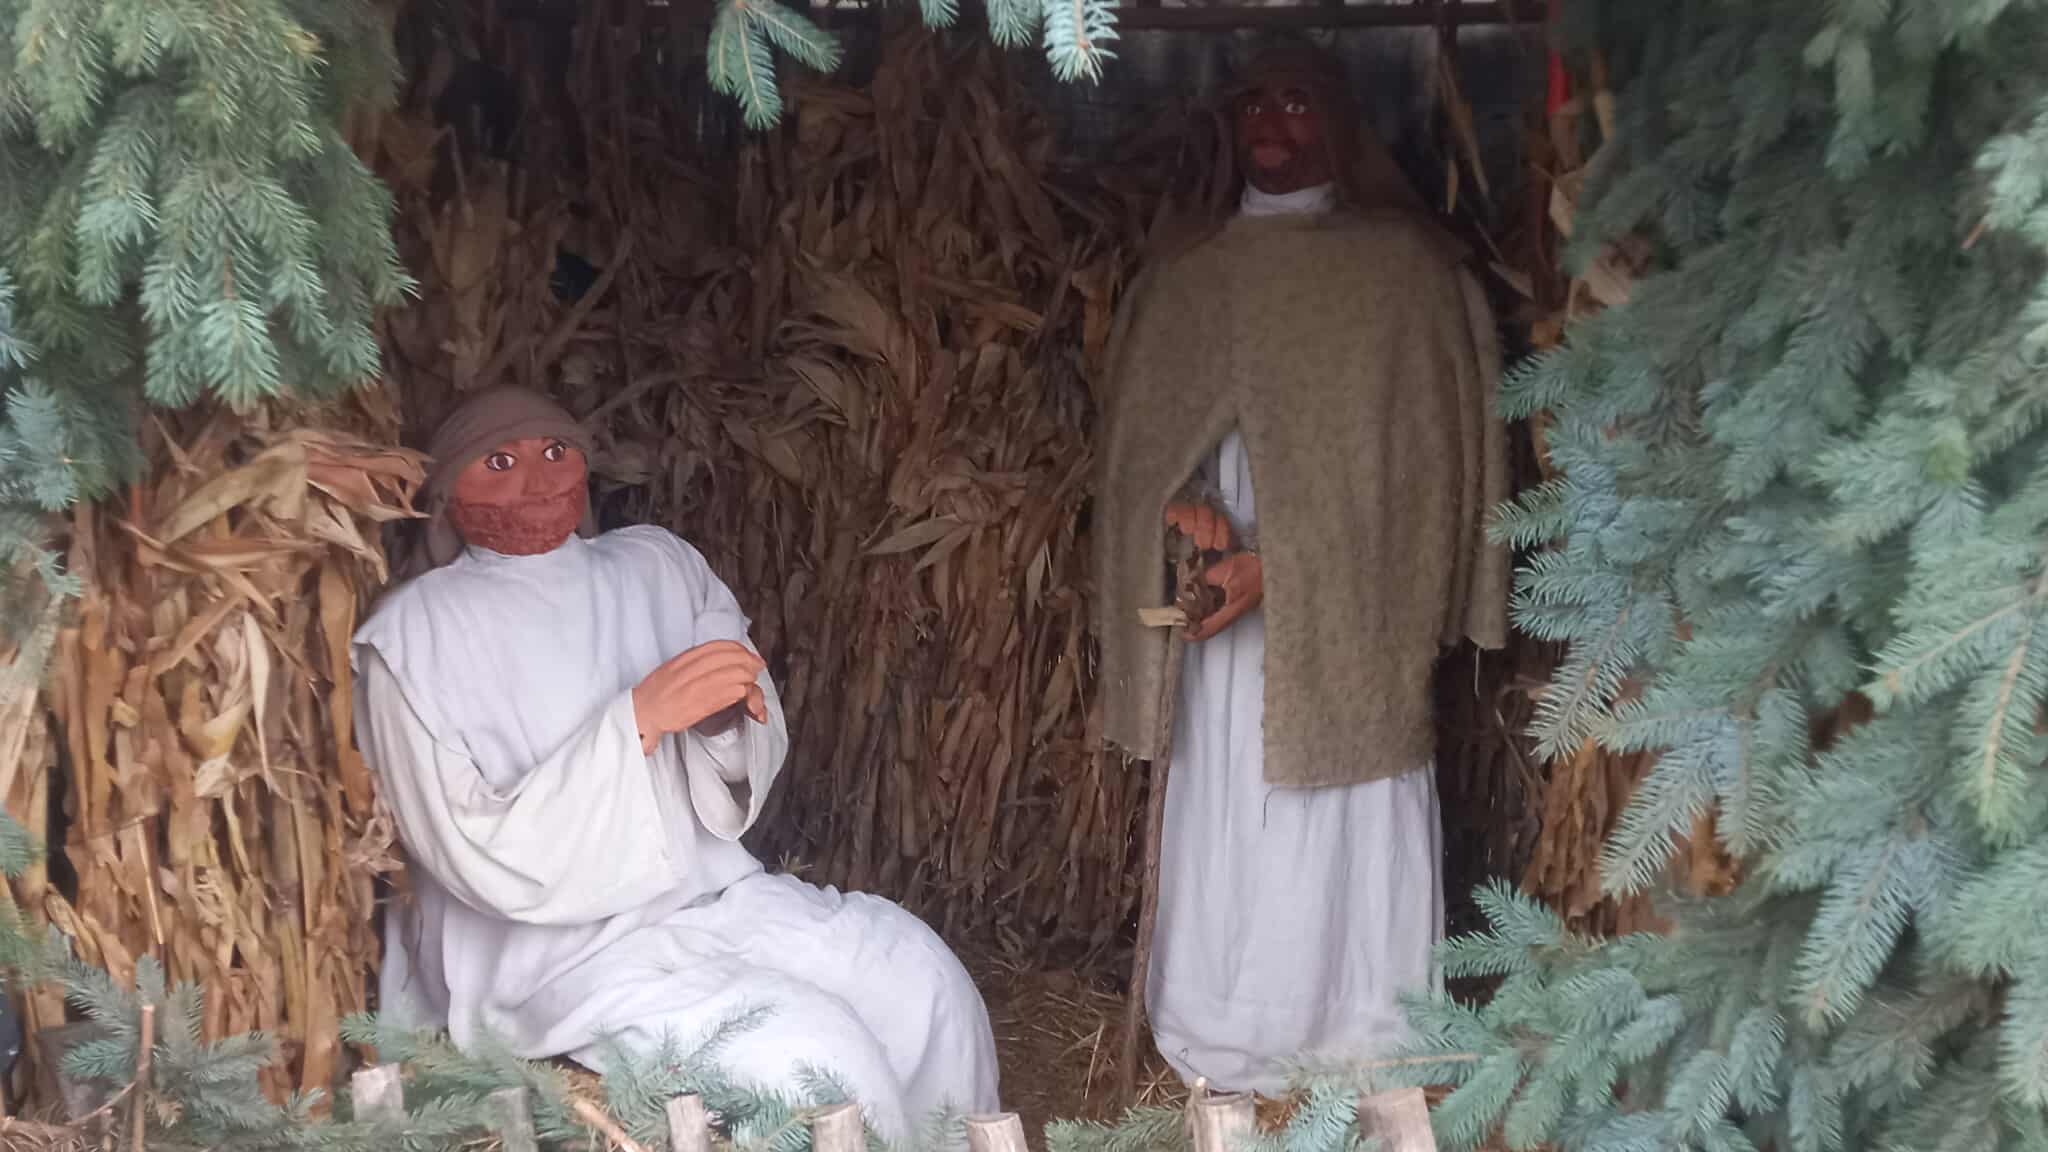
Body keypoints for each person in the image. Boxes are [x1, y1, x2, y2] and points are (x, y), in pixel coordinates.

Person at [353, 388, 999, 1139]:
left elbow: (741, 721)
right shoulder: (412, 637)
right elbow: (470, 847)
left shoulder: (657, 565)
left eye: (557, 451)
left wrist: (723, 724)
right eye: (500, 462)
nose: (540, 478)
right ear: (447, 490)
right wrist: (636, 722)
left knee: (921, 982)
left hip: (713, 903)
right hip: (550, 959)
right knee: (818, 1058)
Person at [1093, 39, 1510, 1095]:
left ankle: (1357, 1037)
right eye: (1250, 106)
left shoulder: (1401, 274)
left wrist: (1288, 567)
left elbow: (1424, 479)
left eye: (1293, 101)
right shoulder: (1191, 272)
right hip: (1224, 638)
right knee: (1232, 798)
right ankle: (1226, 1033)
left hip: (1354, 624)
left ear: (1338, 117)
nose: (1270, 126)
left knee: (1342, 799)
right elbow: (1141, 455)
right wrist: (1183, 513)